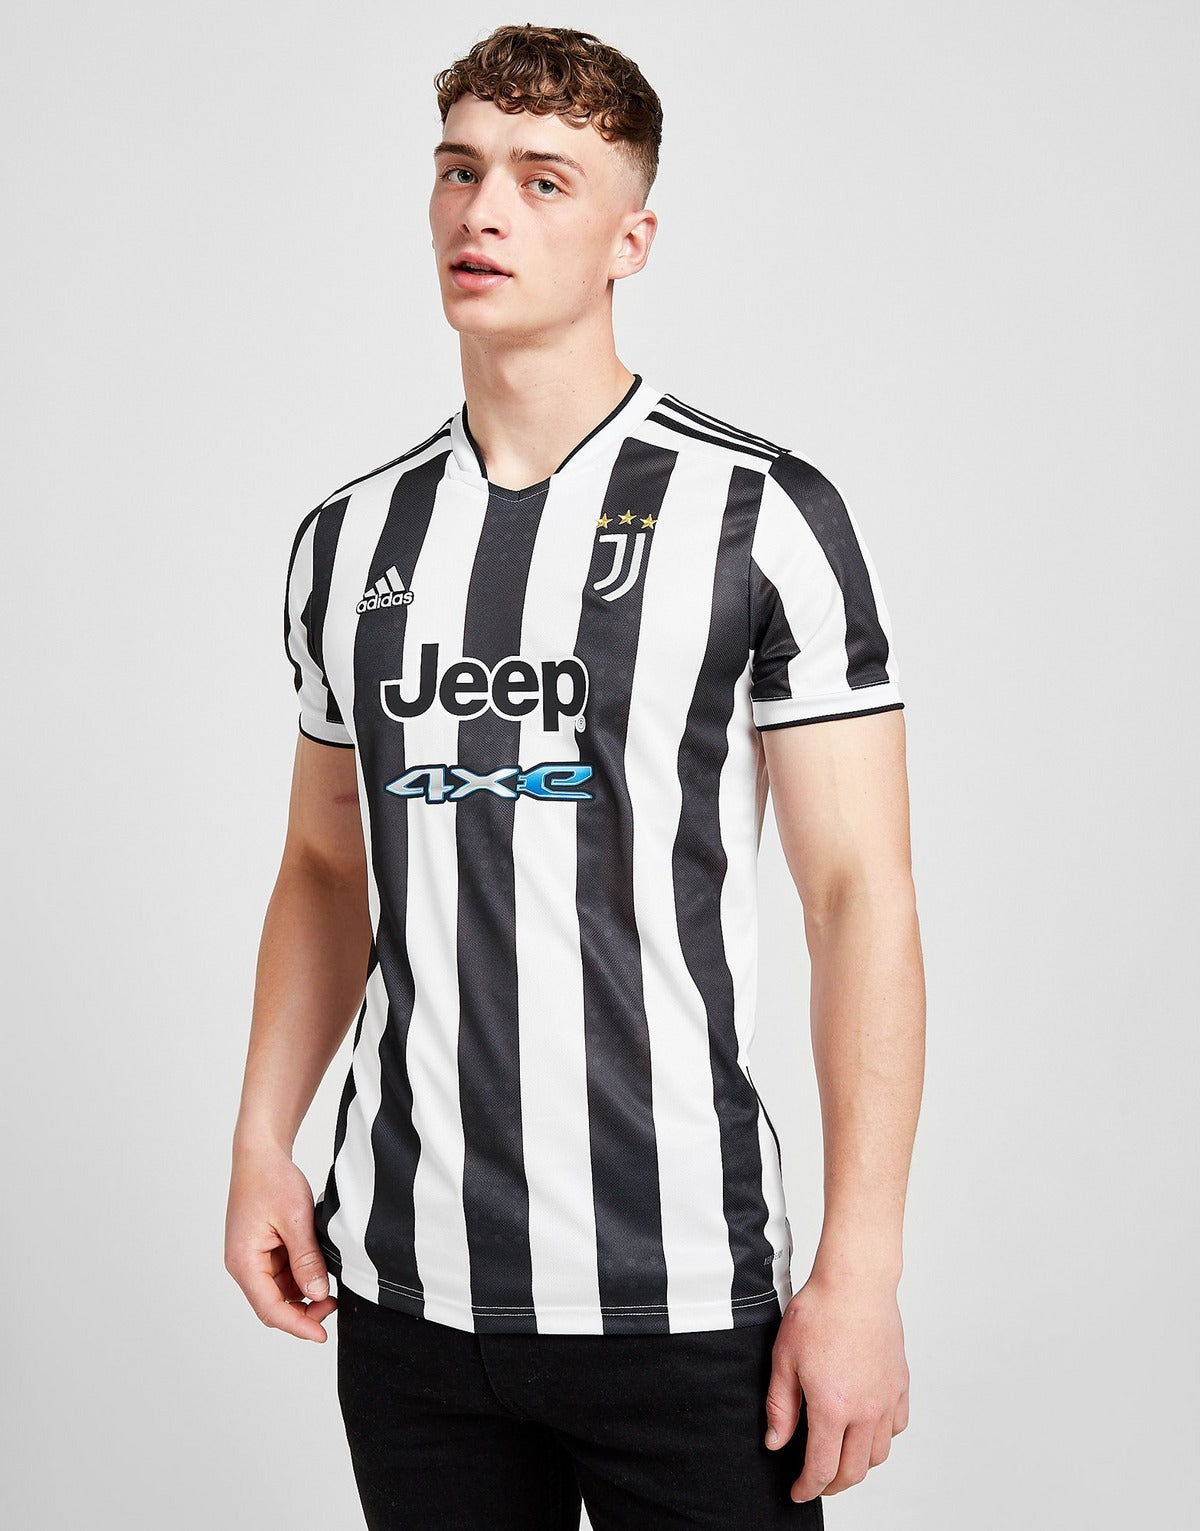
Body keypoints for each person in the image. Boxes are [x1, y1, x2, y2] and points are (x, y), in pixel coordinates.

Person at [225, 22, 925, 1530]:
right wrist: (262, 1138)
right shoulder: (350, 539)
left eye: (544, 181)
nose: (485, 210)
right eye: (460, 171)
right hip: (408, 1292)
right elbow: (327, 867)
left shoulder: (761, 515)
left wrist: (859, 1272)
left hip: (681, 1293)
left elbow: (859, 897)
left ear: (631, 239)